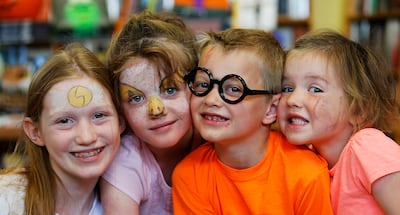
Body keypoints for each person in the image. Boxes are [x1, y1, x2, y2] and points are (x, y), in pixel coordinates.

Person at [172, 28, 333, 214]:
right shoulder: (189, 175)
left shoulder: (306, 174)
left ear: (271, 109)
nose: (211, 99)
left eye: (233, 89)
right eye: (203, 85)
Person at [278, 29, 400, 215]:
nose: (293, 99)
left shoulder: (367, 146)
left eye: (315, 89)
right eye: (287, 87)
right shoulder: (310, 158)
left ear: (358, 109)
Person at [0, 42, 124, 215]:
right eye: (65, 120)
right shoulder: (6, 201)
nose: (86, 137)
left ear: (120, 121)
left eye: (99, 116)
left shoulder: (131, 203)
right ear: (35, 132)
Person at [100, 11, 201, 215]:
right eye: (136, 98)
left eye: (170, 89)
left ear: (197, 87)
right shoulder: (125, 160)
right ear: (120, 108)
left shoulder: (215, 142)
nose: (156, 109)